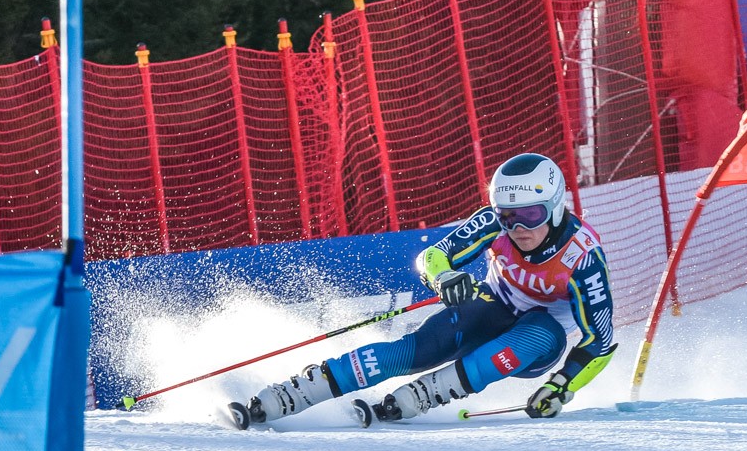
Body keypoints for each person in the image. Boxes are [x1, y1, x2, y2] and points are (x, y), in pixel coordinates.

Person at [245, 152, 617, 424]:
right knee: (419, 349)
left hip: (538, 345)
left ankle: (430, 392)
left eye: (531, 215)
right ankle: (298, 391)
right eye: (508, 216)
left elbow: (600, 342)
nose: (518, 228)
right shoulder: (493, 223)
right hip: (492, 307)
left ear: (554, 207)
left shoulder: (583, 258)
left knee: (540, 328)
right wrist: (444, 277)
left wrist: (561, 386)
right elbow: (434, 256)